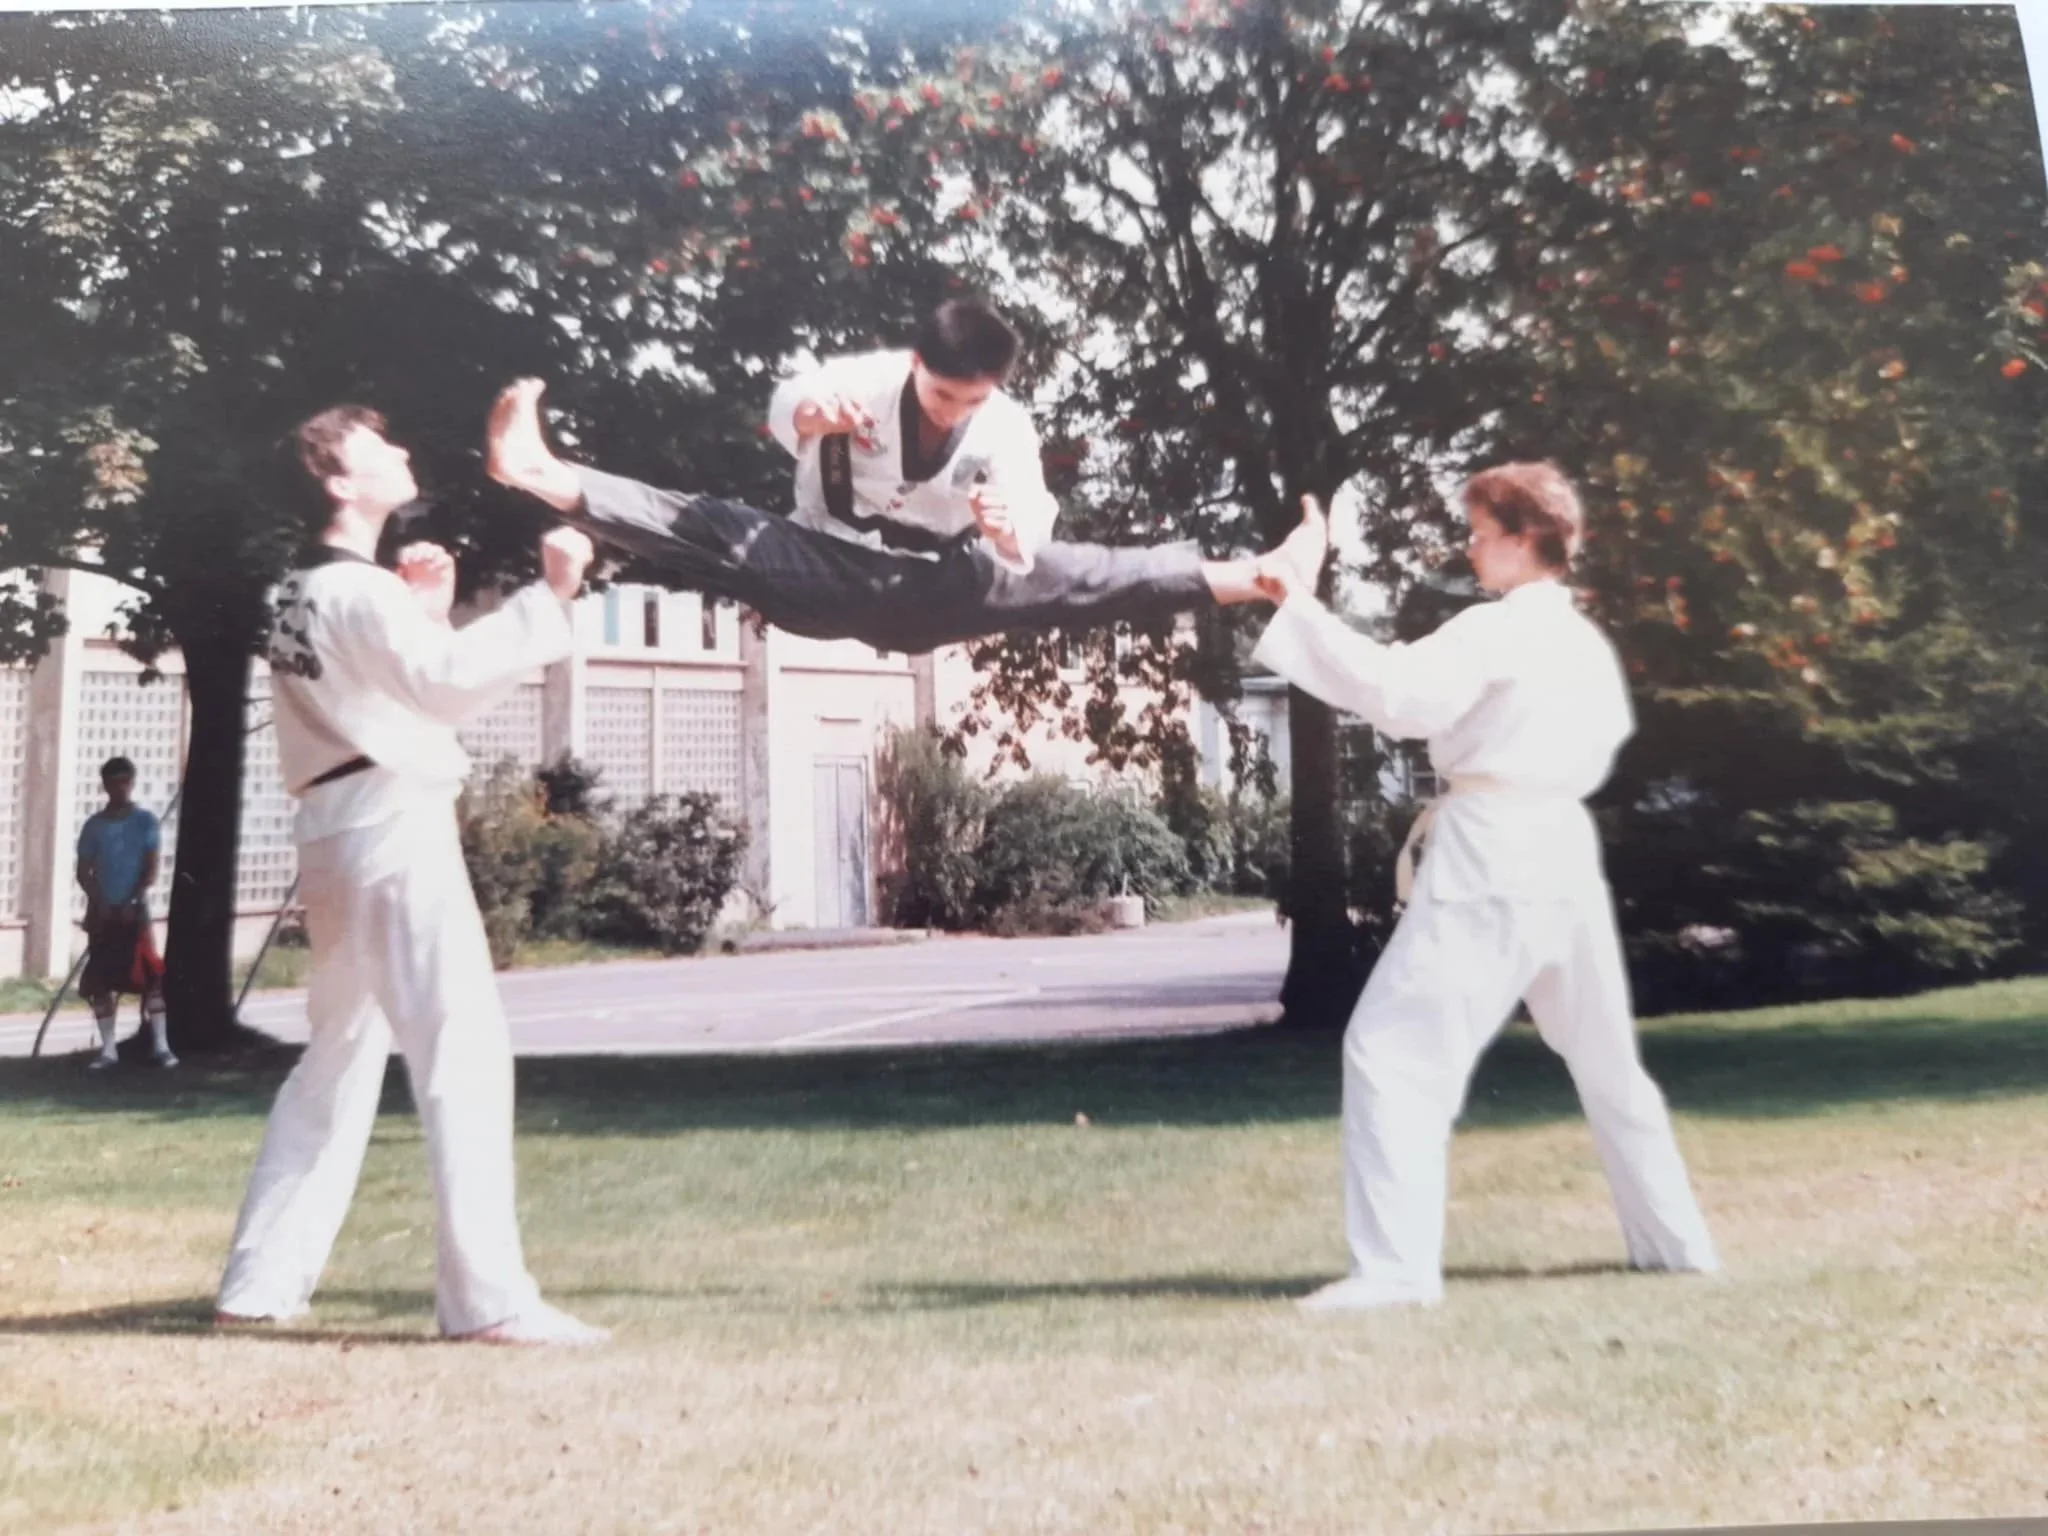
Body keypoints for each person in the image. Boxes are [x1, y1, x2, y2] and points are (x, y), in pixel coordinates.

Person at [1249, 463, 1719, 1311]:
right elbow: (1595, 736)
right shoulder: (1582, 644)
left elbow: (1398, 696)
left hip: (1496, 850)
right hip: (1561, 851)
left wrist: (1299, 607)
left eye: (1479, 531)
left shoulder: (1498, 631)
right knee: (1608, 1062)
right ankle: (1675, 1243)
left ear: (1524, 537)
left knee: (1392, 1049)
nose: (1470, 547)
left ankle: (1394, 1274)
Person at [215, 404, 607, 1346]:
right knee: (460, 1050)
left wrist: (425, 614)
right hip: (390, 826)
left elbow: (385, 694)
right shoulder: (359, 592)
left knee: (338, 1058)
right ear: (339, 482)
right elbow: (440, 688)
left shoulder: (295, 590)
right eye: (374, 448)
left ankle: (258, 1284)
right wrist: (550, 595)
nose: (400, 450)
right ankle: (487, 1302)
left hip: (335, 836)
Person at [484, 296, 1314, 653]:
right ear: (915, 363)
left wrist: (1004, 529)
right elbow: (790, 406)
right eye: (944, 392)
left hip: (953, 584)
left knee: (1095, 573)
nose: (955, 410)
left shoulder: (1007, 428)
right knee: (709, 524)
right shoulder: (860, 378)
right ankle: (538, 470)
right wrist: (812, 419)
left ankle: (1263, 573)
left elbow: (1033, 530)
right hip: (835, 572)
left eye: (973, 398)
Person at [74, 755, 175, 1070]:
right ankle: (108, 1051)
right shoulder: (94, 826)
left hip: (135, 912)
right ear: (104, 785)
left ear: (131, 783)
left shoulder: (145, 822)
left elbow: (150, 869)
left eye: (124, 782)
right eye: (112, 782)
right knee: (101, 981)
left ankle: (161, 1046)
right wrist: (101, 901)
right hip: (102, 914)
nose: (119, 788)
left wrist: (132, 901)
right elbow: (83, 871)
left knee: (150, 978)